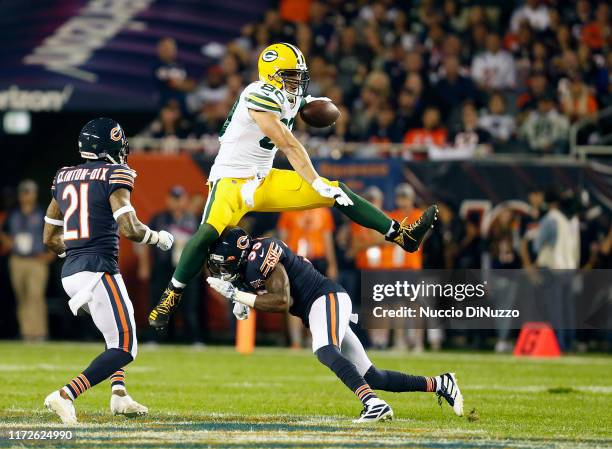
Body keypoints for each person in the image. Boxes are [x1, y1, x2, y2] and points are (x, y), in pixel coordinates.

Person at [148, 43, 438, 329]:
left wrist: (320, 107)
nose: (297, 81)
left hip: (264, 178)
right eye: (291, 74)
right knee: (205, 237)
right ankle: (170, 296)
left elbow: (314, 106)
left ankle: (401, 235)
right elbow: (287, 143)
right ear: (271, 74)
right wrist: (314, 181)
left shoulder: (289, 96)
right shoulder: (256, 93)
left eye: (299, 75)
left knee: (339, 192)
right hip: (231, 180)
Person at [205, 227, 463, 422]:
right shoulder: (250, 261)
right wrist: (242, 298)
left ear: (236, 255)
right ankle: (440, 383)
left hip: (324, 298)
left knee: (326, 350)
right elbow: (257, 287)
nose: (220, 270)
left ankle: (372, 403)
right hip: (321, 305)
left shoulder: (260, 257)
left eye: (222, 263)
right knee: (372, 375)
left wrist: (238, 296)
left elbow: (283, 301)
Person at [42, 118, 175, 424]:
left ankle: (119, 395)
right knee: (126, 345)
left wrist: (75, 251)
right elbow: (130, 229)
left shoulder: (64, 176)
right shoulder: (115, 173)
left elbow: (49, 239)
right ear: (109, 145)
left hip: (71, 273)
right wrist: (160, 238)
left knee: (112, 332)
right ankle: (65, 394)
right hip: (98, 269)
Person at [137, 186, 202, 344]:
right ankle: (155, 337)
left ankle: (194, 339)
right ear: (168, 200)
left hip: (186, 269)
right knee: (158, 302)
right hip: (163, 267)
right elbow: (145, 243)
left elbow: (202, 244)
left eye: (180, 198)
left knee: (190, 305)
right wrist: (144, 265)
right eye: (174, 198)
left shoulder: (193, 219)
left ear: (186, 200)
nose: (177, 202)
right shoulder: (159, 218)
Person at [0, 180, 53, 341]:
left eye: (29, 192)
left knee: (36, 296)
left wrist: (50, 255)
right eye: (24, 192)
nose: (26, 196)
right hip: (18, 260)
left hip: (37, 260)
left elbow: (53, 233)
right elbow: (4, 232)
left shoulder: (42, 213)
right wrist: (10, 243)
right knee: (22, 297)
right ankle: (27, 333)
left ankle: (39, 333)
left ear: (35, 194)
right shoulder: (13, 214)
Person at [277, 208, 338, 348]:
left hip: (318, 259)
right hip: (295, 260)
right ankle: (296, 341)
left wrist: (332, 263)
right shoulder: (289, 211)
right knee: (294, 301)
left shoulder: (323, 212)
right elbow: (282, 239)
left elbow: (327, 238)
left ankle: (313, 340)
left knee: (317, 302)